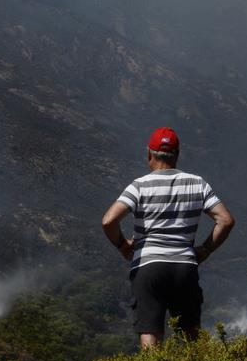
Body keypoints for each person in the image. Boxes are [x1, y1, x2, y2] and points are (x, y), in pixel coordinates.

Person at [101, 127, 235, 348]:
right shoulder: (197, 183)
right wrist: (205, 250)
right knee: (192, 337)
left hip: (148, 267)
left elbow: (108, 221)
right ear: (177, 154)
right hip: (184, 266)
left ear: (149, 154)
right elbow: (226, 220)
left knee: (150, 336)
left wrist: (123, 246)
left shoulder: (139, 186)